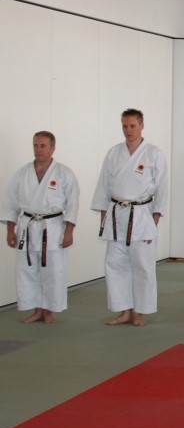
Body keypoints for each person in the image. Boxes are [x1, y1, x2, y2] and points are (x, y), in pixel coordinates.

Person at [91, 108, 168, 327]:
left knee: (143, 265)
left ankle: (140, 312)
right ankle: (124, 311)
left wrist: (155, 219)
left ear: (142, 125)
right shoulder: (114, 153)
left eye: (133, 126)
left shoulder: (154, 153)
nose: (128, 130)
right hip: (116, 214)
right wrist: (104, 217)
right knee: (115, 264)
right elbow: (104, 186)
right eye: (125, 126)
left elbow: (162, 188)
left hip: (142, 214)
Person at [2, 131, 79, 324]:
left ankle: (49, 311)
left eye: (43, 146)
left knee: (53, 272)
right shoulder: (22, 173)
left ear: (53, 148)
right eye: (35, 145)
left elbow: (73, 205)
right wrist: (10, 230)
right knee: (28, 271)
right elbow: (11, 203)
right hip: (27, 227)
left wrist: (69, 232)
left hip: (52, 228)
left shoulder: (64, 173)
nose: (38, 149)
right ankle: (37, 310)